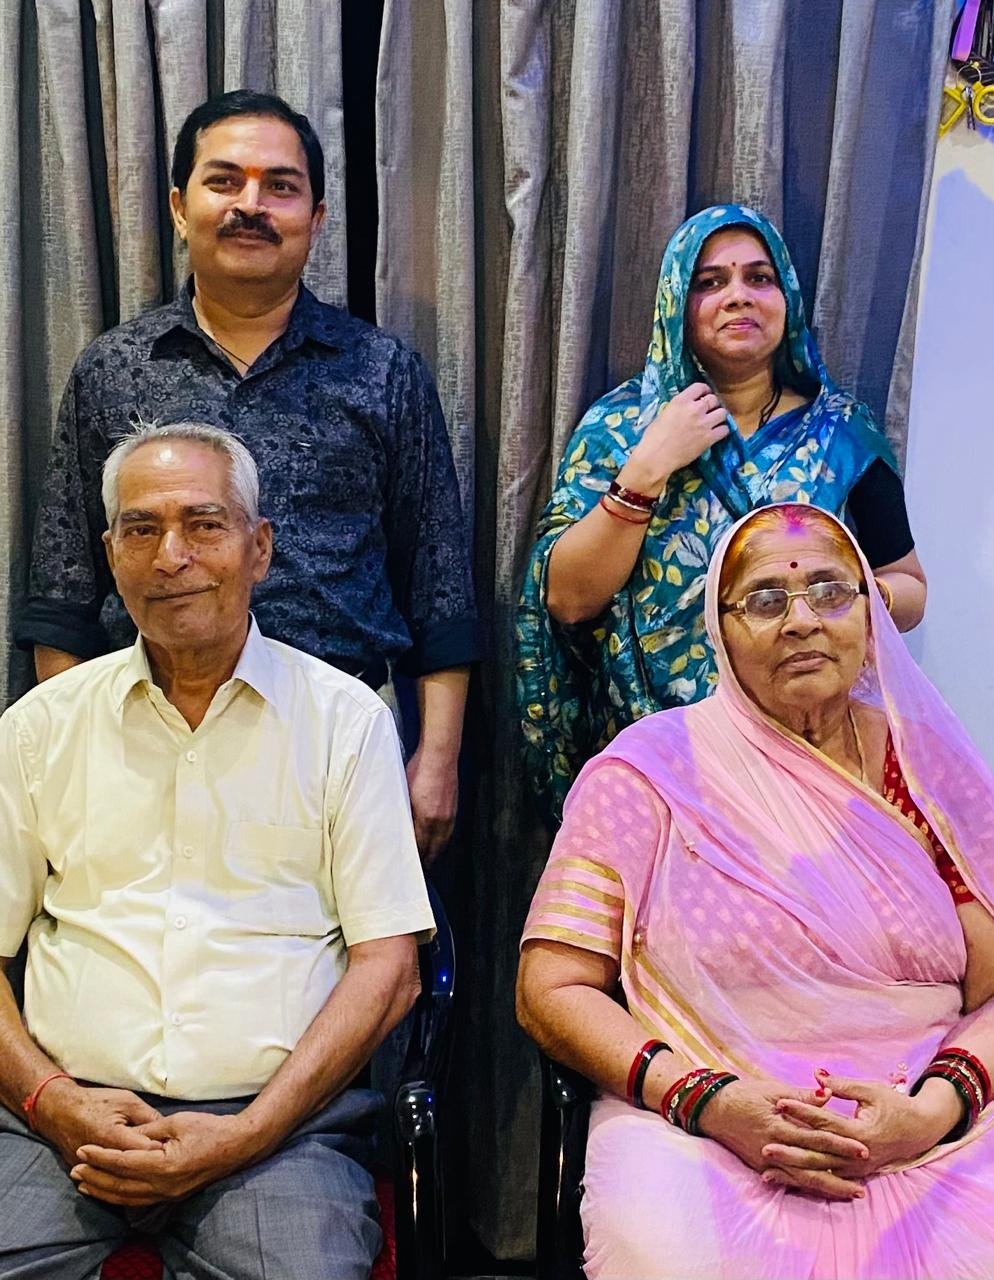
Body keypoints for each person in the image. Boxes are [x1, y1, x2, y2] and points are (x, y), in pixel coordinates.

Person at [0, 423, 435, 1280]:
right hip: (58, 1120)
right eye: (141, 529)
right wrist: (51, 1101)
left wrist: (249, 1132)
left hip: (278, 1131)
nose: (172, 557)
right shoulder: (39, 727)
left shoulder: (344, 723)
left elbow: (391, 971)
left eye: (203, 524)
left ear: (259, 548)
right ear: (111, 556)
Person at [517, 501, 994, 1280]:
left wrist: (932, 1112)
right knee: (666, 1252)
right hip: (704, 1122)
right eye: (767, 600)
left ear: (870, 613)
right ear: (721, 628)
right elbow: (550, 987)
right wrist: (708, 1100)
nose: (802, 621)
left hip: (929, 1112)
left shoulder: (927, 767)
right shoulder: (649, 772)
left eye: (831, 592)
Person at [15, 89, 480, 862]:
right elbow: (64, 594)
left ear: (317, 218)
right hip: (150, 740)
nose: (251, 206)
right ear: (179, 207)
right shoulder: (114, 371)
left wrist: (436, 761)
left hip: (341, 739)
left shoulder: (382, 371)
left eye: (280, 186)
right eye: (224, 181)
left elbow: (438, 585)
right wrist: (68, 762)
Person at [517, 204, 926, 821]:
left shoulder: (843, 436)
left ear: (786, 298)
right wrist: (648, 468)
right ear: (678, 305)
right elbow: (568, 601)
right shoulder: (621, 428)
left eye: (759, 277)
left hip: (810, 758)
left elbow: (910, 588)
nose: (738, 296)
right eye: (710, 282)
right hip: (657, 767)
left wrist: (845, 600)